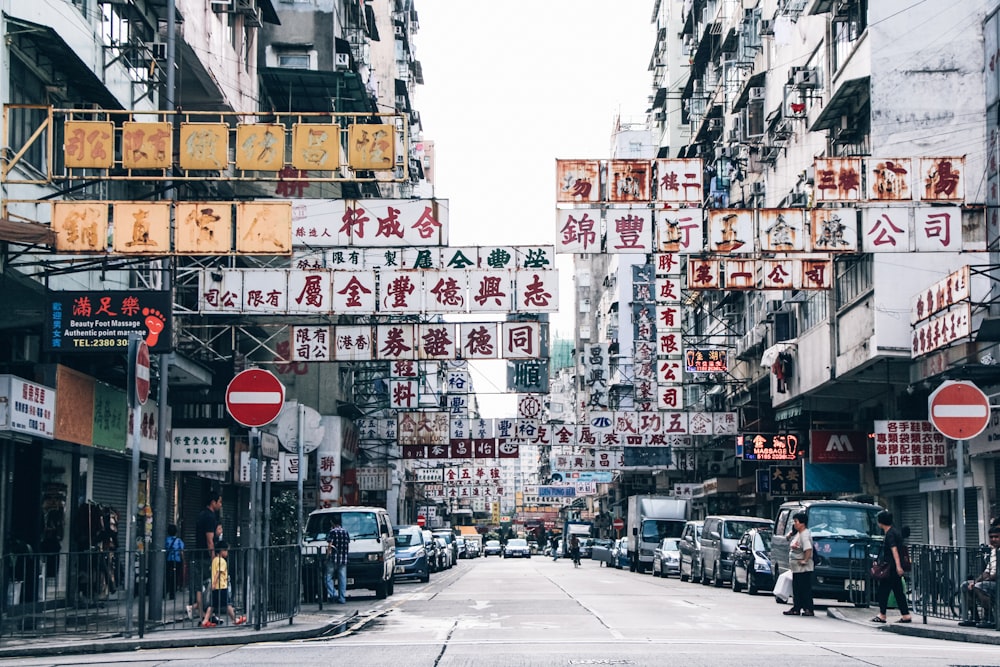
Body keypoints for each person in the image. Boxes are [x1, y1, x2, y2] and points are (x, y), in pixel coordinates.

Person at [871, 510, 912, 624]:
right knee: (898, 592)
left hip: (891, 567)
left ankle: (882, 615)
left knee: (883, 591)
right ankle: (906, 615)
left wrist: (898, 566)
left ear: (881, 522)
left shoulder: (890, 534)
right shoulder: (895, 532)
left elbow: (894, 550)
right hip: (894, 568)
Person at [188, 493, 221, 621]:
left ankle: (202, 612)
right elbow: (209, 540)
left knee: (200, 585)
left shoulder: (202, 514)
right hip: (205, 556)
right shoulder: (209, 517)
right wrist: (213, 556)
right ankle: (204, 611)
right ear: (213, 502)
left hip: (198, 553)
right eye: (219, 502)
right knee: (210, 584)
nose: (220, 504)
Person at [958, 525, 1000, 627]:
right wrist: (975, 582)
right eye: (991, 537)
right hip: (991, 581)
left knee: (980, 587)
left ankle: (989, 618)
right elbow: (987, 571)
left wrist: (986, 580)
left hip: (997, 582)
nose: (993, 539)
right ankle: (974, 617)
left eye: (996, 537)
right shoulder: (993, 551)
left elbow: (996, 573)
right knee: (965, 585)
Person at [201, 540, 245, 628]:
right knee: (228, 604)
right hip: (221, 586)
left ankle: (205, 621)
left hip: (216, 587)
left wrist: (213, 584)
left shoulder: (214, 560)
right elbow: (218, 573)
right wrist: (214, 583)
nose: (227, 553)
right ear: (222, 551)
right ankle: (234, 619)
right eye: (226, 550)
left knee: (212, 605)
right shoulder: (222, 561)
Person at [783, 511, 815, 617]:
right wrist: (791, 533)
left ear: (802, 523)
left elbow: (808, 549)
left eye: (796, 521)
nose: (794, 523)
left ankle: (808, 608)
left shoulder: (805, 534)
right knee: (797, 589)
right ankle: (797, 608)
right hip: (796, 568)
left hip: (803, 568)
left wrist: (805, 560)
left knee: (804, 589)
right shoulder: (798, 533)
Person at [325, 514, 350, 604]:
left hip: (333, 559)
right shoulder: (345, 531)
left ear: (332, 522)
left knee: (328, 577)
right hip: (343, 558)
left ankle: (333, 594)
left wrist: (327, 556)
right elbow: (347, 543)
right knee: (342, 578)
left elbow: (330, 545)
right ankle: (342, 598)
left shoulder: (332, 532)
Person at [165, 524, 185, 601]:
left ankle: (165, 592)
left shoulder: (166, 540)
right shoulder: (179, 541)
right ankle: (172, 594)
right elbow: (181, 552)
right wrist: (183, 561)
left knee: (167, 576)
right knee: (175, 577)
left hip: (168, 560)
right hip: (177, 561)